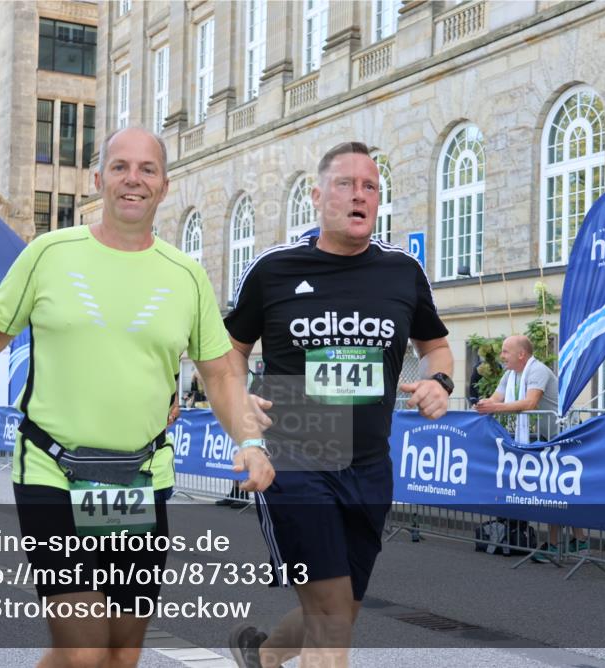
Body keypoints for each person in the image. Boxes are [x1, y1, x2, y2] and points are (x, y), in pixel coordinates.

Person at [0, 125, 273, 667]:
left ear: (164, 185)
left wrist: (251, 442)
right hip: (53, 471)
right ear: (99, 180)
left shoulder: (185, 275)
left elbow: (221, 373)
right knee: (85, 650)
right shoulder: (49, 252)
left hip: (140, 480)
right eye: (120, 167)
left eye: (147, 170)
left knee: (120, 650)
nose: (132, 180)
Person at [225, 141, 454, 668]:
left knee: (340, 610)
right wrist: (240, 401)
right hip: (297, 458)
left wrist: (438, 379)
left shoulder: (402, 271)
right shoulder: (275, 269)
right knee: (331, 624)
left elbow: (435, 345)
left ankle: (261, 657)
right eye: (346, 184)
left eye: (370, 186)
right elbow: (230, 351)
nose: (360, 195)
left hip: (369, 464)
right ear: (317, 196)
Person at [475, 334, 586, 560]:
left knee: (556, 490)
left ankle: (561, 544)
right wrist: (484, 403)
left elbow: (530, 403)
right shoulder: (511, 375)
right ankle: (576, 541)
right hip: (552, 435)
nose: (501, 355)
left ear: (521, 354)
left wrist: (494, 408)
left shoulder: (537, 371)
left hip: (569, 434)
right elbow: (496, 398)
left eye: (506, 351)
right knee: (555, 490)